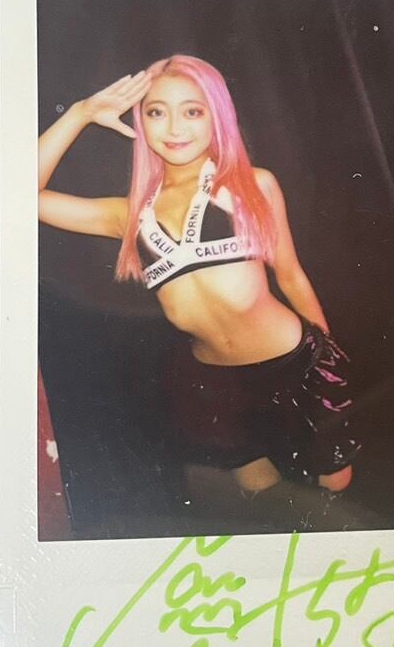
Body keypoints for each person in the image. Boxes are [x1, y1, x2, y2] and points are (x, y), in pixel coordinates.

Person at [37, 55, 358, 504]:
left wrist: (329, 357)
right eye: (156, 112)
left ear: (216, 116)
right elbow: (20, 195)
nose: (174, 128)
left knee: (334, 484)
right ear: (141, 122)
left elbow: (291, 275)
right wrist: (81, 113)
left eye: (192, 111)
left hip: (293, 363)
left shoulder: (253, 186)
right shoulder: (129, 215)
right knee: (259, 489)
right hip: (213, 382)